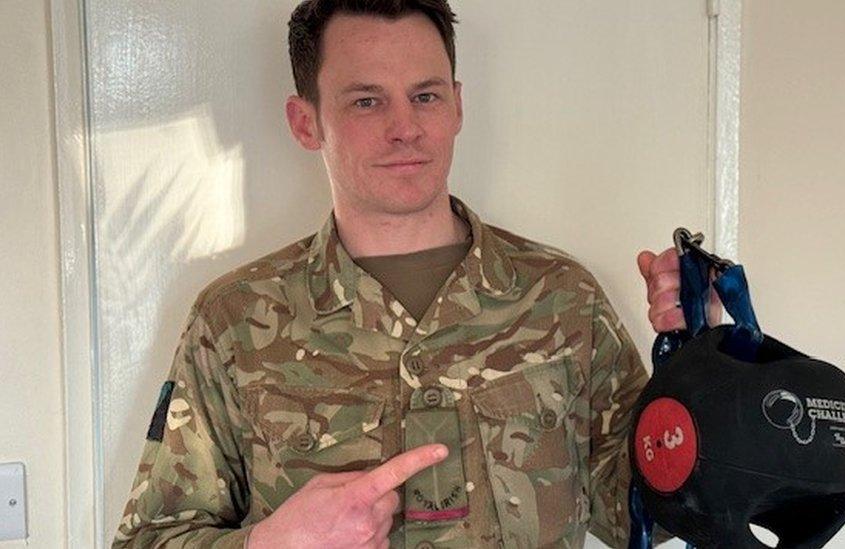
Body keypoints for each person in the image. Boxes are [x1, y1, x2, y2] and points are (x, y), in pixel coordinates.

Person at [111, 1, 712, 547]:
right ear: (306, 122)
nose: (406, 127)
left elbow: (649, 513)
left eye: (424, 96)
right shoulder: (235, 319)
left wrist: (703, 362)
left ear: (456, 105)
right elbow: (148, 539)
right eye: (367, 101)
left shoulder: (561, 299)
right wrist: (266, 545)